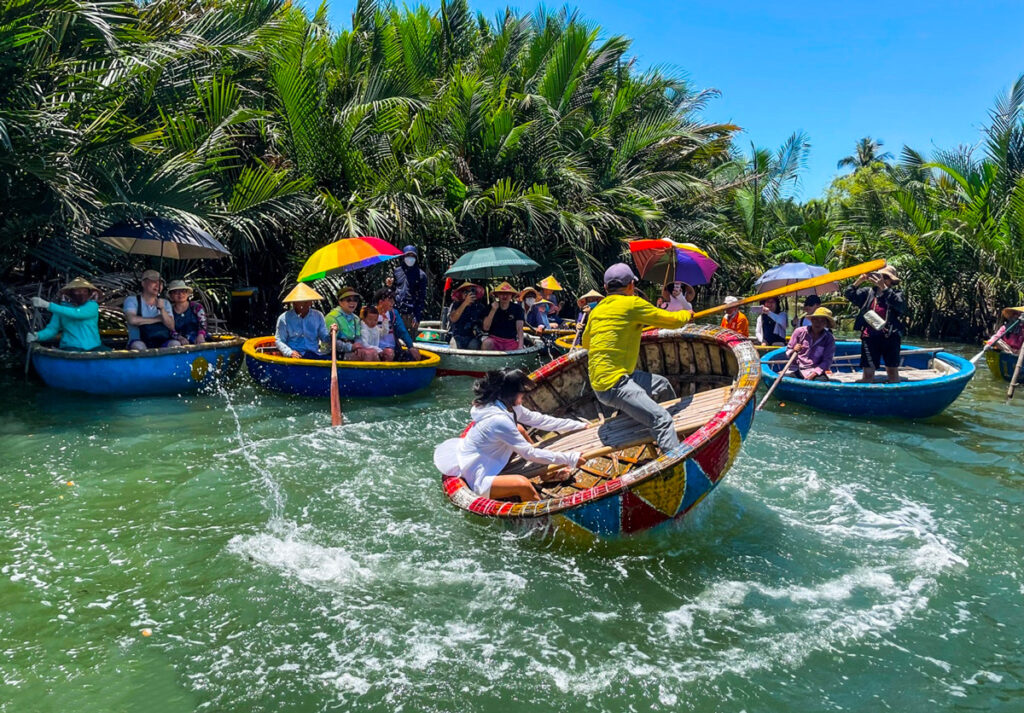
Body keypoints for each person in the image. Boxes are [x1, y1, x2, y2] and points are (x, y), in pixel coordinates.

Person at [582, 263, 692, 454]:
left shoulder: (597, 310)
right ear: (632, 286)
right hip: (615, 384)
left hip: (601, 383)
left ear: (606, 289)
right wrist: (687, 314)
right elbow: (673, 321)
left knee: (662, 385)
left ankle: (676, 434)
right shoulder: (633, 304)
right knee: (662, 420)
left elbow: (586, 343)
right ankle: (676, 463)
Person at [433, 369, 589, 501]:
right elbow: (529, 454)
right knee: (522, 484)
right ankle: (541, 528)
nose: (524, 396)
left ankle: (546, 475)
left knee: (520, 429)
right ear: (511, 394)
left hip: (491, 460)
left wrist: (579, 425)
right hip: (478, 476)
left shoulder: (506, 406)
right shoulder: (498, 420)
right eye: (522, 393)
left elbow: (539, 420)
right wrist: (571, 458)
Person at [845, 265, 905, 383]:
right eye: (880, 276)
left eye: (885, 277)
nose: (881, 279)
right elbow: (849, 294)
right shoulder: (868, 292)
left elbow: (900, 305)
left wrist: (883, 287)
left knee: (892, 372)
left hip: (890, 336)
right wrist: (861, 279)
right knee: (868, 373)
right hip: (870, 336)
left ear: (891, 280)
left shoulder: (897, 294)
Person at [28, 277, 105, 351]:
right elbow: (52, 329)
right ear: (71, 293)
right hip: (70, 347)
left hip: (94, 347)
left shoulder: (92, 306)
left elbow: (78, 314)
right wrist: (38, 336)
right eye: (77, 291)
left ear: (89, 293)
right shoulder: (61, 309)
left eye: (84, 291)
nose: (81, 294)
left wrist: (48, 305)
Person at [123, 270, 176, 350]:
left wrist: (162, 309)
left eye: (160, 283)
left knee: (175, 344)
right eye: (154, 282)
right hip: (138, 342)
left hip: (162, 341)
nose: (158, 285)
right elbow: (132, 320)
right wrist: (158, 318)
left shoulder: (165, 303)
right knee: (139, 346)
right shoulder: (132, 300)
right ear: (143, 283)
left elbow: (171, 326)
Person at [275, 283, 329, 359]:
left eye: (308, 301)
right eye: (302, 301)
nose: (306, 304)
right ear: (294, 303)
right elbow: (279, 340)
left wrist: (332, 334)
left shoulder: (318, 315)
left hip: (314, 354)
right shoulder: (284, 318)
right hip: (295, 356)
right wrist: (290, 353)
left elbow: (324, 337)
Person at [783, 308, 837, 380]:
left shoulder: (829, 339)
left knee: (821, 382)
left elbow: (827, 361)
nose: (818, 323)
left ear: (826, 324)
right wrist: (793, 350)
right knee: (786, 380)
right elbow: (788, 351)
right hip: (797, 368)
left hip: (815, 370)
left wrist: (814, 373)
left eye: (822, 321)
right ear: (812, 320)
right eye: (816, 319)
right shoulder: (799, 332)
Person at [325, 287, 377, 361]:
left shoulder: (356, 319)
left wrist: (357, 347)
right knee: (367, 354)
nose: (352, 303)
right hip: (334, 354)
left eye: (355, 300)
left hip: (351, 350)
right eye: (348, 300)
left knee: (373, 352)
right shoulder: (332, 317)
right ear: (340, 302)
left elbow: (358, 337)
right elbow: (330, 342)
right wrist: (350, 347)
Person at [374, 288, 421, 361]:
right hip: (376, 348)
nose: (393, 303)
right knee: (389, 354)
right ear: (381, 302)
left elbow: (402, 331)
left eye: (393, 300)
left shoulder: (393, 313)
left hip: (393, 348)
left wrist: (410, 347)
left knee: (414, 354)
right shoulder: (370, 313)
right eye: (390, 300)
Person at [392, 245, 428, 335]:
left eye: (412, 256)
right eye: (408, 256)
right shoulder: (397, 271)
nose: (410, 258)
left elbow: (421, 297)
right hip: (396, 312)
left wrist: (417, 316)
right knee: (394, 339)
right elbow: (393, 290)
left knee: (409, 342)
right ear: (403, 257)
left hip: (411, 314)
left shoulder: (421, 275)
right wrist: (389, 285)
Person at [482, 282, 525, 351]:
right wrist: (493, 310)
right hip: (494, 339)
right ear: (497, 295)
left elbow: (519, 328)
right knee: (486, 343)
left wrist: (520, 346)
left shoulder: (518, 309)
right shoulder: (490, 307)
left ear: (512, 295)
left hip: (510, 341)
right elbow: (485, 328)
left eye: (507, 293)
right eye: (501, 293)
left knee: (517, 347)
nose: (504, 296)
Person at [165, 280, 207, 346]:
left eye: (183, 291)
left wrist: (201, 335)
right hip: (179, 343)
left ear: (187, 294)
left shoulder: (196, 307)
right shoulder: (169, 310)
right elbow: (170, 330)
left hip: (199, 340)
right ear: (171, 296)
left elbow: (203, 324)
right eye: (176, 292)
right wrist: (180, 338)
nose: (180, 294)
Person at [448, 282, 487, 350]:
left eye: (472, 291)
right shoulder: (456, 304)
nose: (469, 294)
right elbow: (453, 318)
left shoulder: (480, 307)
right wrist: (465, 303)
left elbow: (485, 327)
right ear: (461, 294)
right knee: (454, 350)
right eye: (466, 292)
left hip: (473, 338)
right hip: (457, 337)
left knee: (474, 346)